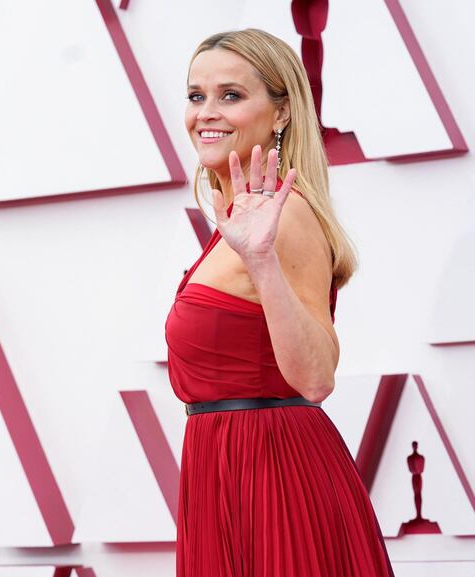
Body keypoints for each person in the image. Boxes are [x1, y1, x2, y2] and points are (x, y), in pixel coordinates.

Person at [164, 28, 396, 576]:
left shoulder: (284, 218)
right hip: (221, 475)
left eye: (231, 95)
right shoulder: (238, 219)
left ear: (283, 113)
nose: (206, 113)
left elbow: (315, 377)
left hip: (274, 482)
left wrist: (263, 259)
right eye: (196, 96)